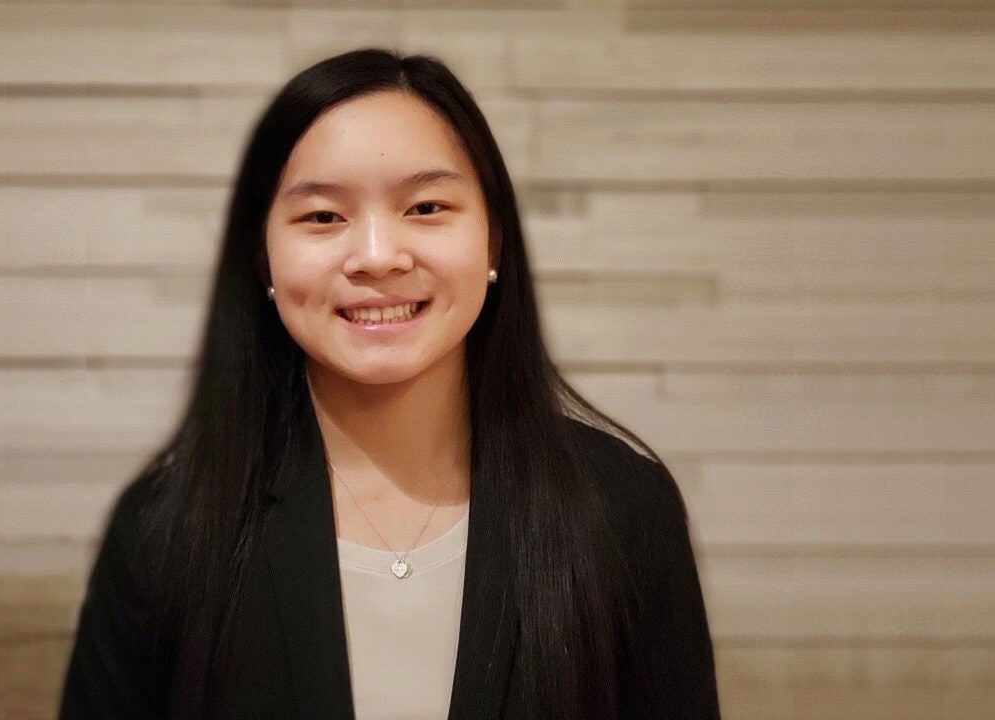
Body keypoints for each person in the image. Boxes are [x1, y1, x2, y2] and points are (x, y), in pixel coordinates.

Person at [59, 48, 720, 720]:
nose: (378, 257)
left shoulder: (622, 511)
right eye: (323, 217)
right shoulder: (168, 529)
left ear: (493, 241)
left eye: (427, 207)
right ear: (262, 256)